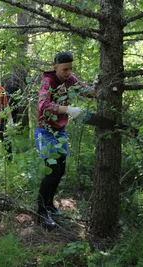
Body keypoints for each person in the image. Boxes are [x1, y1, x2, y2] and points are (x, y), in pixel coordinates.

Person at [35, 52, 96, 230]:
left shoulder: (70, 79)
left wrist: (98, 84)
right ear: (55, 67)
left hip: (59, 132)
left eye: (71, 68)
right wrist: (67, 109)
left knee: (60, 170)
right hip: (44, 132)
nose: (68, 72)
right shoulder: (48, 81)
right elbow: (43, 106)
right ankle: (41, 212)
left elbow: (87, 91)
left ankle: (48, 205)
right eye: (64, 69)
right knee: (52, 170)